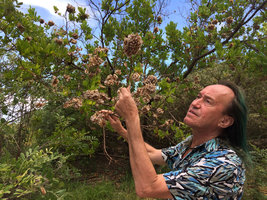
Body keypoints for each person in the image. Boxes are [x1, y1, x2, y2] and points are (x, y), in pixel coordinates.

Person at [105, 80, 247, 199]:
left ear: (224, 121)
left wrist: (132, 117)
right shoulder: (191, 144)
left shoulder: (223, 163)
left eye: (208, 101)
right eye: (198, 96)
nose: (195, 103)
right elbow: (152, 154)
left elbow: (147, 187)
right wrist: (121, 129)